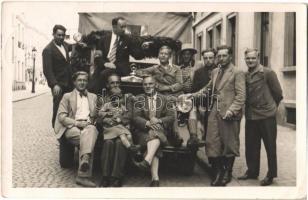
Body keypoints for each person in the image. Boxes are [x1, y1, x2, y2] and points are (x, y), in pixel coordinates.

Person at [191, 45, 246, 186]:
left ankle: (227, 173)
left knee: (229, 144)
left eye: (224, 55)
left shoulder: (237, 72)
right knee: (212, 142)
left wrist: (232, 110)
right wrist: (190, 95)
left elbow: (241, 96)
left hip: (229, 113)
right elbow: (207, 89)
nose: (221, 58)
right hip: (214, 111)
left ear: (230, 56)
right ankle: (217, 172)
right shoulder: (215, 71)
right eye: (219, 56)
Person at [238, 48, 283, 186]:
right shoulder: (245, 75)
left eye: (253, 58)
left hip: (266, 116)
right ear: (245, 59)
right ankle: (252, 171)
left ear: (258, 58)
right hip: (251, 116)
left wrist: (270, 107)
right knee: (251, 145)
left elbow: (278, 94)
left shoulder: (268, 73)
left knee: (270, 146)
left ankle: (271, 174)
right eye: (248, 58)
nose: (250, 61)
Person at [54, 71, 98, 187]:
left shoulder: (93, 97)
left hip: (89, 127)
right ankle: (84, 173)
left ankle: (84, 162)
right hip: (72, 127)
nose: (82, 82)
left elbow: (96, 116)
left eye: (84, 80)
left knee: (91, 131)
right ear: (74, 82)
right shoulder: (67, 96)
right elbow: (61, 117)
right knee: (88, 140)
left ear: (87, 82)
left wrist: (92, 121)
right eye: (79, 80)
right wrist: (77, 123)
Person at [135, 45, 184, 146]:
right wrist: (150, 79)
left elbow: (180, 84)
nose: (163, 56)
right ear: (158, 55)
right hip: (160, 96)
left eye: (166, 54)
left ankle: (175, 135)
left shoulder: (176, 69)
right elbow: (138, 72)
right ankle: (159, 132)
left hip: (173, 95)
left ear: (169, 56)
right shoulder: (154, 68)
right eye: (161, 54)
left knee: (171, 105)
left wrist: (164, 87)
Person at [133, 76, 175, 187]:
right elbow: (135, 117)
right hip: (143, 132)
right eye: (145, 84)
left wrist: (159, 120)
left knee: (155, 136)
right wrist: (148, 123)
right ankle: (155, 177)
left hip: (160, 130)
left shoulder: (165, 99)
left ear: (155, 84)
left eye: (150, 84)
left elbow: (171, 117)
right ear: (142, 86)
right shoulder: (138, 99)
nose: (148, 86)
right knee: (155, 141)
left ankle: (147, 160)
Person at [98, 74, 134, 187]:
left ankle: (116, 176)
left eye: (117, 82)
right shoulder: (102, 99)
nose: (115, 84)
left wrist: (120, 120)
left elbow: (129, 115)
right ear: (107, 85)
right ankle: (105, 176)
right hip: (107, 129)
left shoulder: (126, 97)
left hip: (120, 127)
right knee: (108, 143)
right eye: (112, 83)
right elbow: (97, 116)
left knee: (119, 143)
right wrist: (106, 119)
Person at [43, 24, 73, 128]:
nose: (61, 37)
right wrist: (54, 84)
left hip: (69, 83)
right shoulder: (48, 50)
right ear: (53, 34)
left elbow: (72, 46)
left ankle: (67, 132)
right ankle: (56, 129)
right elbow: (47, 70)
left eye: (63, 35)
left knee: (69, 108)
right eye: (58, 35)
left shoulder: (64, 45)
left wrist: (79, 43)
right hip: (58, 85)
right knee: (58, 108)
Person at [98, 87, 140, 156]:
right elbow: (100, 113)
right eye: (114, 99)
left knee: (129, 135)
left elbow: (126, 114)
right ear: (110, 98)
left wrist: (126, 123)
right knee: (122, 135)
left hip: (119, 126)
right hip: (110, 127)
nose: (116, 101)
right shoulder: (107, 105)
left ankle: (133, 147)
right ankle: (129, 148)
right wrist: (106, 114)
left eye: (119, 99)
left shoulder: (122, 106)